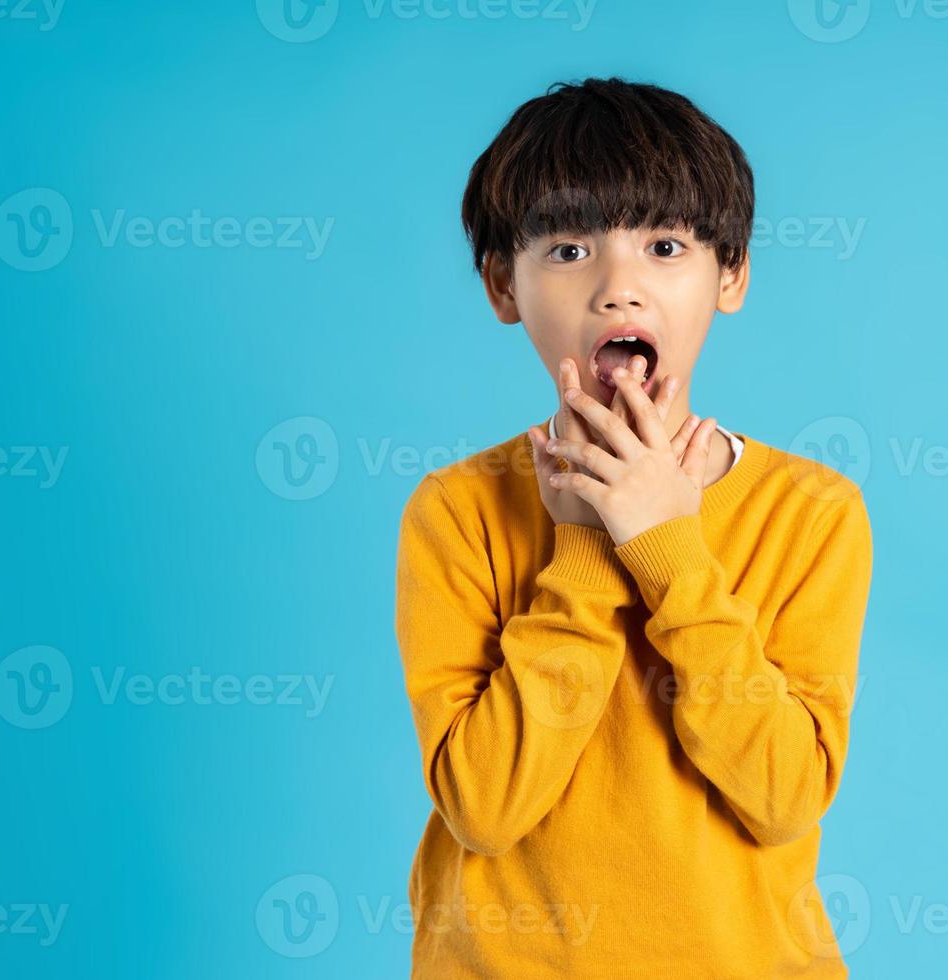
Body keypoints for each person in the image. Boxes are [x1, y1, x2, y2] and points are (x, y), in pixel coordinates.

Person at [395, 76, 873, 977]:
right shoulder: (457, 511)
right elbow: (485, 810)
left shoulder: (811, 514)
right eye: (571, 248)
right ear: (504, 283)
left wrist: (666, 548)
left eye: (664, 246)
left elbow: (783, 796)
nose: (621, 290)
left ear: (730, 275)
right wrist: (583, 544)